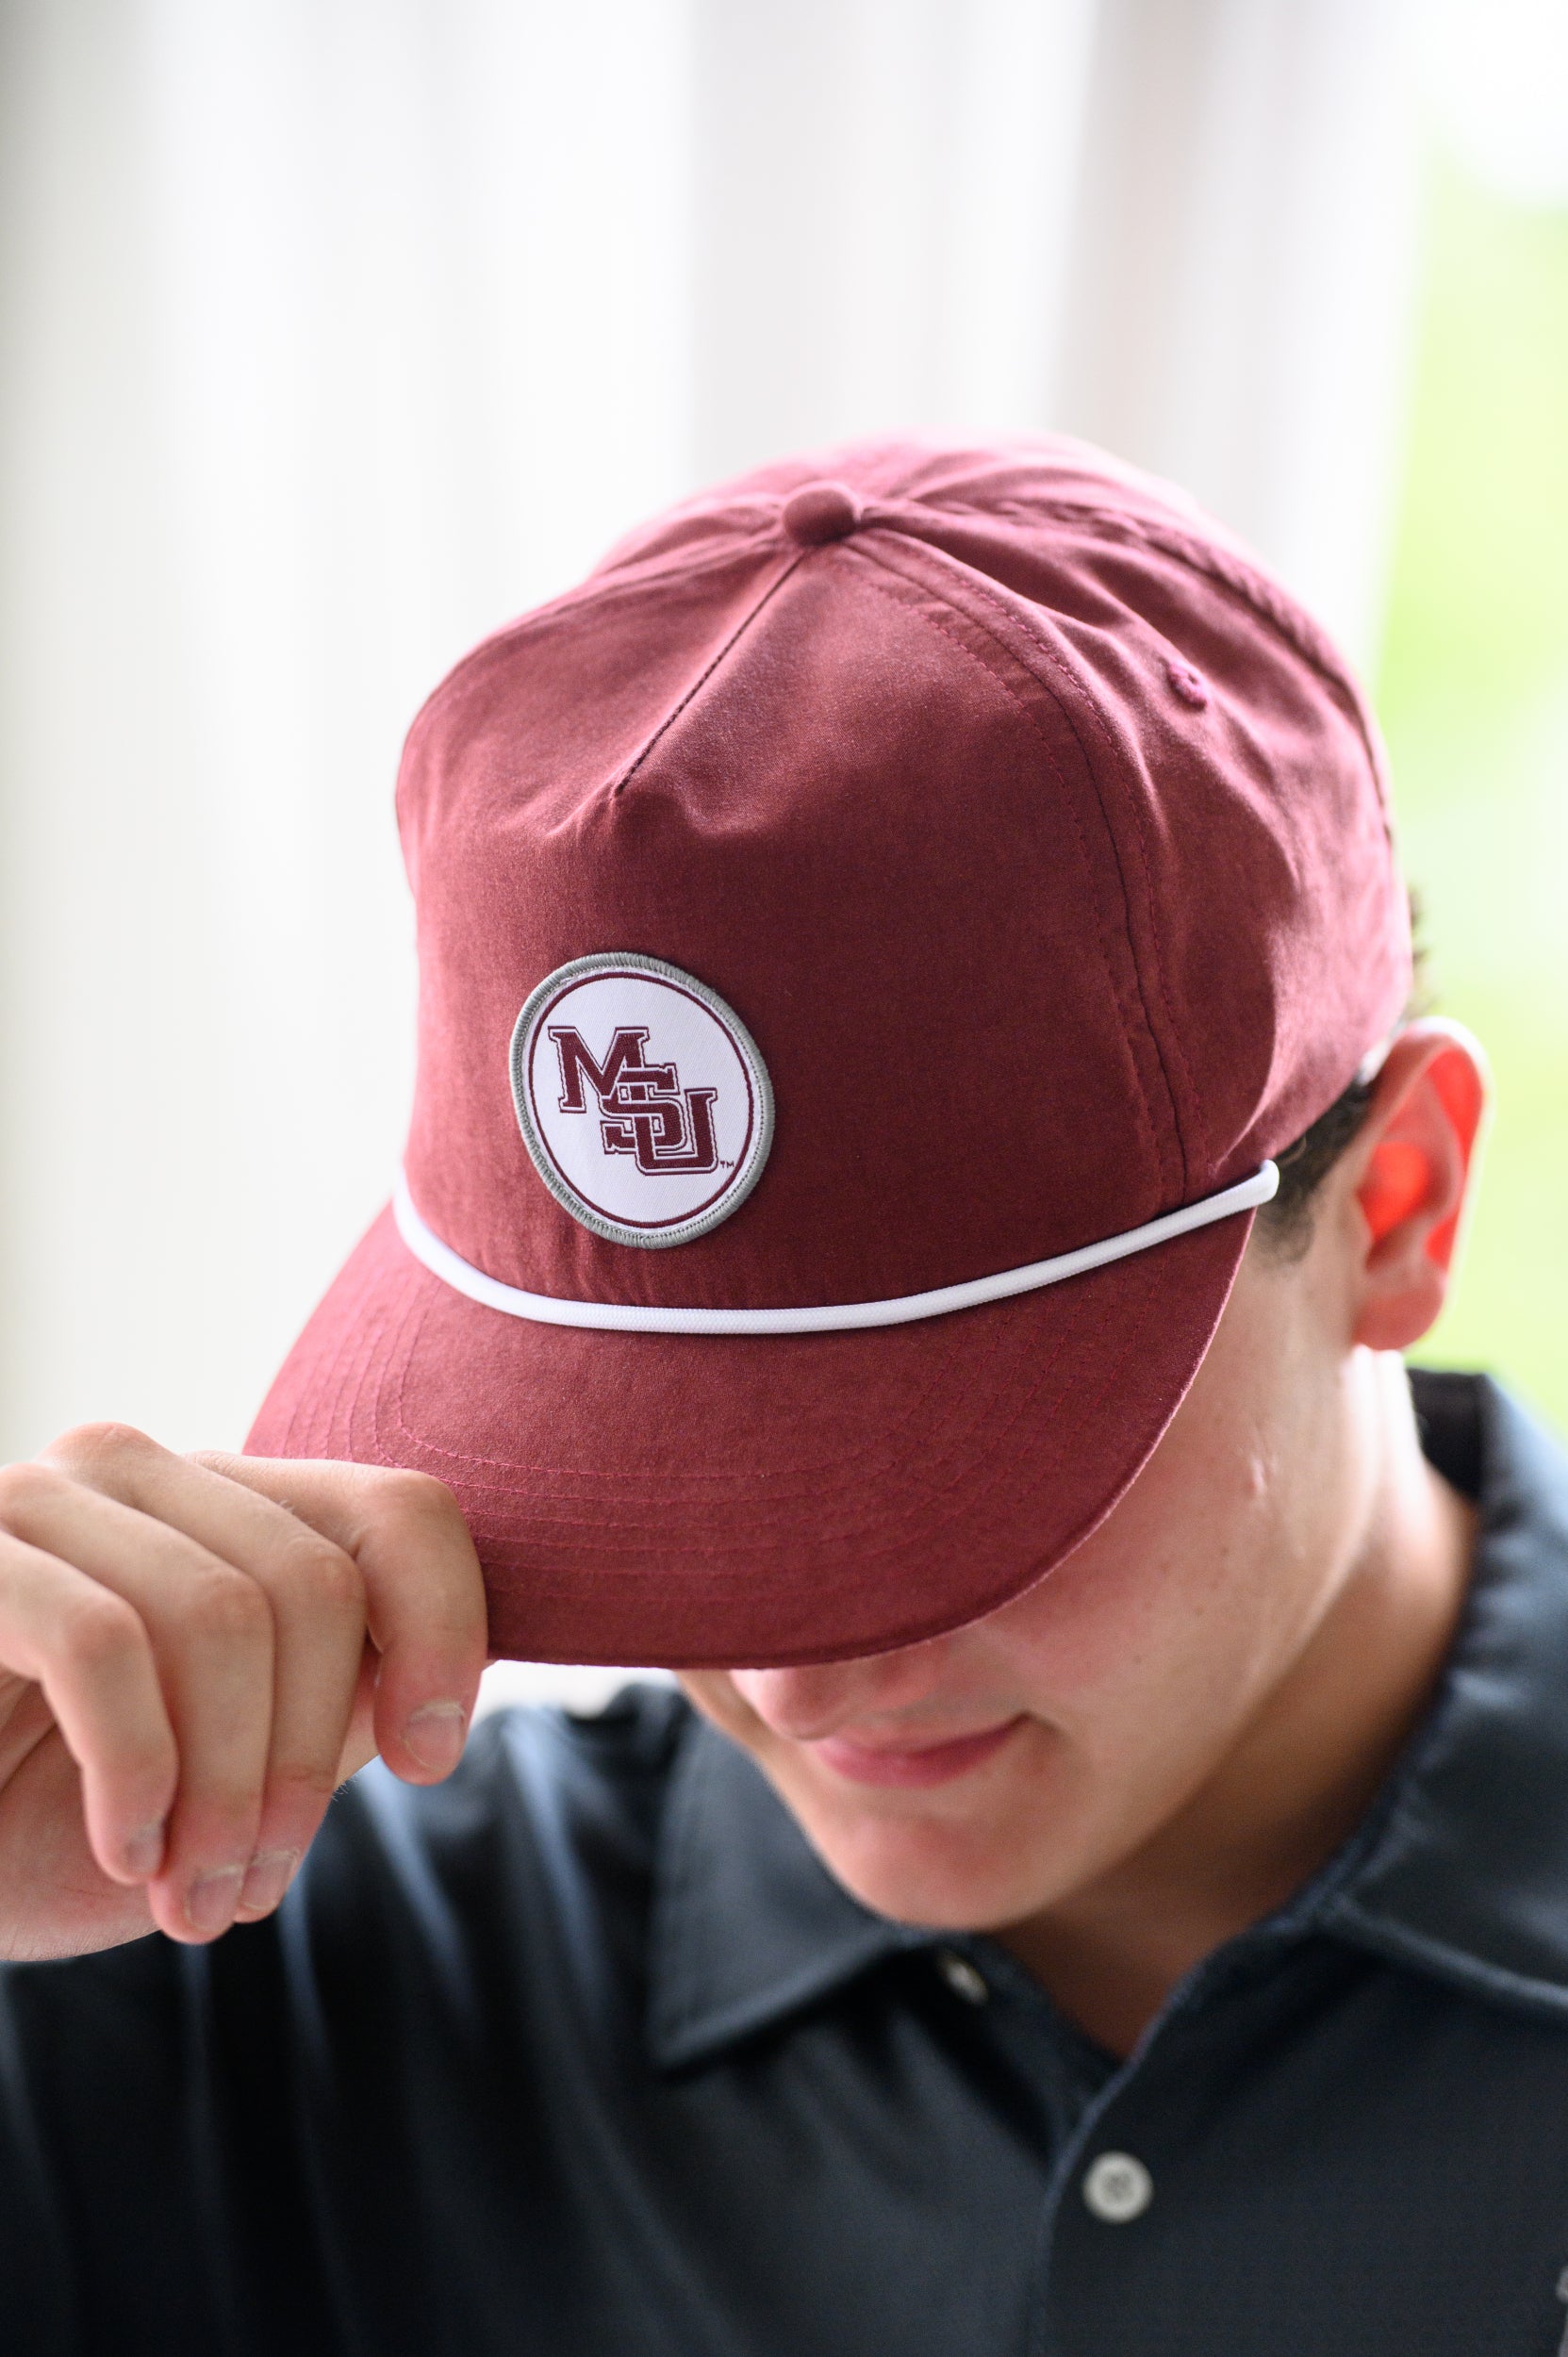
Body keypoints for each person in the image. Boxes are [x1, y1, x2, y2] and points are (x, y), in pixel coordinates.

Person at [0, 439, 1560, 2357]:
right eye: (671, 1484)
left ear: (1397, 1198)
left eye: (953, 1478)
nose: (806, 1682)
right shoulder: (228, 1970)